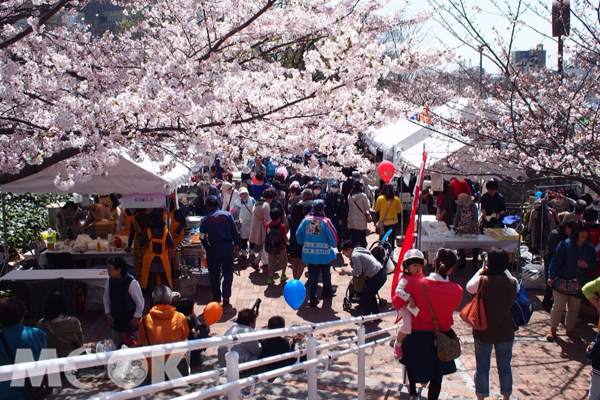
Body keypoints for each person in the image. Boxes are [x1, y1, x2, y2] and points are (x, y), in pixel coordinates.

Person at [397, 247, 463, 400]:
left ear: (433, 262)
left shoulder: (416, 284)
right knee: (437, 374)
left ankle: (412, 393)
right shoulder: (457, 290)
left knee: (411, 363)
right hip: (440, 337)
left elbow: (399, 299)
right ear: (453, 268)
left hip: (416, 336)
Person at [466, 248, 518, 400]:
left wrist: (482, 270)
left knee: (482, 367)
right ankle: (506, 396)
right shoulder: (513, 283)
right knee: (505, 367)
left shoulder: (483, 281)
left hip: (484, 329)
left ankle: (481, 396)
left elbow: (469, 286)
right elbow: (514, 283)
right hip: (505, 330)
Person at [547, 220, 599, 341]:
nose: (583, 235)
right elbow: (555, 262)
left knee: (574, 308)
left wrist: (587, 265)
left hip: (579, 283)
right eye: (581, 232)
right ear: (575, 232)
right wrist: (551, 276)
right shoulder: (564, 244)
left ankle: (570, 328)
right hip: (562, 281)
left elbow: (595, 263)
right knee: (558, 307)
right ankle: (552, 329)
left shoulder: (589, 248)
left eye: (585, 232)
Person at [0, 296, 47, 399]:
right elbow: (42, 360)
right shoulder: (38, 334)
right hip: (31, 390)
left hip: (5, 392)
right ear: (22, 315)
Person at [138, 285, 189, 377]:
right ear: (170, 300)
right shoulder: (180, 317)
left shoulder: (144, 320)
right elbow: (184, 336)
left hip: (154, 370)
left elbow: (141, 341)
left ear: (153, 301)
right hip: (177, 367)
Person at [296, 199, 338, 307]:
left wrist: (304, 243)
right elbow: (334, 237)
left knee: (313, 276)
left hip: (310, 255)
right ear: (323, 208)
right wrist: (333, 244)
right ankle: (327, 291)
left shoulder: (305, 221)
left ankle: (312, 297)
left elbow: (298, 234)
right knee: (326, 274)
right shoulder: (325, 221)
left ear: (313, 208)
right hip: (324, 255)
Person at [199, 196, 240, 305]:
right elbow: (235, 231)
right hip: (227, 247)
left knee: (214, 274)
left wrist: (207, 247)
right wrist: (236, 243)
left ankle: (216, 296)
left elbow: (202, 237)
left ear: (208, 206)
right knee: (228, 272)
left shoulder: (205, 220)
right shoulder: (227, 215)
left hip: (214, 249)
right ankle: (226, 296)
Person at [390, 249, 426, 360]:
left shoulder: (422, 276)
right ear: (407, 266)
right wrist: (410, 299)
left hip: (417, 306)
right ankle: (398, 343)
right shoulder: (404, 278)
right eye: (415, 265)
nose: (418, 268)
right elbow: (398, 291)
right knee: (406, 327)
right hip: (406, 306)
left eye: (420, 265)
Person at [103, 256, 144, 346]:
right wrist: (108, 313)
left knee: (133, 345)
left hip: (130, 320)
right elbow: (106, 298)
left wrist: (136, 317)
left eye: (110, 269)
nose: (108, 271)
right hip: (116, 319)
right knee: (117, 345)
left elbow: (140, 302)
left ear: (118, 270)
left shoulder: (132, 283)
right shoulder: (110, 281)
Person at [339, 240, 386, 315]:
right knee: (370, 294)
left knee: (367, 295)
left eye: (344, 251)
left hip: (377, 276)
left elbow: (358, 271)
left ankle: (367, 315)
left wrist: (346, 273)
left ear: (349, 249)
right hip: (380, 273)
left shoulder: (355, 255)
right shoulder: (359, 250)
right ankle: (376, 314)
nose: (344, 254)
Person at [36, 291, 84, 358]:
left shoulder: (40, 325)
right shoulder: (74, 322)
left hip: (50, 362)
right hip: (69, 360)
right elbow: (80, 343)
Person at [542, 221, 575, 312]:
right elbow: (554, 250)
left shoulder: (564, 235)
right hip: (551, 260)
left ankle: (551, 302)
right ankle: (547, 303)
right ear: (567, 228)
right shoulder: (555, 234)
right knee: (550, 282)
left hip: (559, 260)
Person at [139, 214, 175, 294]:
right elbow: (171, 245)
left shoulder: (147, 230)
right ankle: (167, 300)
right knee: (166, 282)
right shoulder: (165, 231)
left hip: (150, 260)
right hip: (162, 260)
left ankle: (153, 302)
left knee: (151, 283)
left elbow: (141, 243)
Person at [289, 188, 313, 280]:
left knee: (294, 262)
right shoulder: (304, 220)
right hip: (304, 241)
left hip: (293, 241)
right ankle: (297, 279)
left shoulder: (291, 217)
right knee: (302, 262)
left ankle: (295, 278)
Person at [453, 192, 481, 269]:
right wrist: (455, 223)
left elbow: (475, 220)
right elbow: (457, 216)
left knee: (475, 244)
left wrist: (469, 226)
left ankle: (474, 262)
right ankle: (462, 260)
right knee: (460, 243)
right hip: (462, 227)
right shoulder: (460, 206)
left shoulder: (473, 207)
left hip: (473, 228)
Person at [249, 189, 272, 271]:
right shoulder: (265, 205)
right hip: (263, 229)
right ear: (269, 198)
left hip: (256, 228)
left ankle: (256, 262)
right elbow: (267, 220)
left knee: (264, 246)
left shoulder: (256, 203)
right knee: (266, 246)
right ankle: (265, 263)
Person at [264, 208, 289, 285]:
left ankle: (270, 278)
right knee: (283, 261)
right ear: (279, 217)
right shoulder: (282, 226)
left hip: (270, 248)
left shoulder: (267, 225)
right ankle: (283, 274)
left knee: (271, 263)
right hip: (280, 248)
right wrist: (288, 242)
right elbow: (285, 237)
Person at [374, 183, 402, 249]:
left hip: (384, 222)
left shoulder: (380, 198)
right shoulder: (396, 199)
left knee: (383, 236)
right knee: (392, 237)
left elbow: (376, 209)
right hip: (394, 221)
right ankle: (391, 250)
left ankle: (381, 249)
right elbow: (399, 209)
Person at [233, 187, 256, 258]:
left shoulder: (252, 200)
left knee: (252, 236)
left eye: (245, 194)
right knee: (243, 237)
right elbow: (233, 210)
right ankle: (243, 250)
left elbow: (256, 208)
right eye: (242, 194)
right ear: (240, 194)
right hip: (243, 223)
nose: (244, 195)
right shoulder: (237, 202)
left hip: (252, 221)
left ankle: (252, 249)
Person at [347, 180, 370, 248]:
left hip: (352, 219)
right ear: (360, 186)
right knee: (362, 238)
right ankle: (363, 253)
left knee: (353, 238)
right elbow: (367, 207)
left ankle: (353, 253)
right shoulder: (363, 196)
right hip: (361, 220)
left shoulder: (349, 195)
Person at [325, 180, 347, 250]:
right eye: (332, 186)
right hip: (329, 217)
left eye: (335, 187)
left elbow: (343, 208)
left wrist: (341, 218)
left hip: (337, 217)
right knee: (329, 232)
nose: (334, 188)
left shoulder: (340, 196)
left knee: (339, 232)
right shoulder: (327, 195)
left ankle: (339, 245)